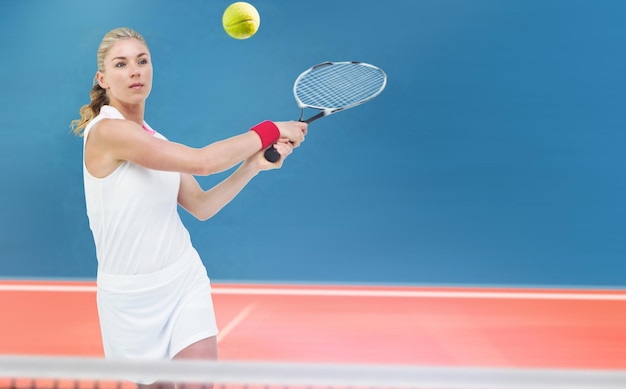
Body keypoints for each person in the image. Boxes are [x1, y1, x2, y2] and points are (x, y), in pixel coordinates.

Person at [70, 27, 307, 388]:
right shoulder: (107, 133)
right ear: (102, 79)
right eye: (121, 64)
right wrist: (270, 129)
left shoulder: (156, 140)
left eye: (142, 61)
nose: (135, 71)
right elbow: (204, 162)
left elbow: (201, 205)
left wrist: (251, 167)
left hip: (182, 279)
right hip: (130, 299)